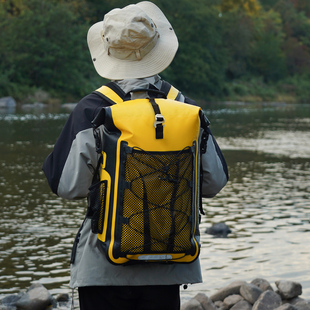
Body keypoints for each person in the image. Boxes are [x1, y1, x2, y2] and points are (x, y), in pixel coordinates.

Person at [42, 2, 229, 309]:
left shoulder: (92, 110)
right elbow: (214, 183)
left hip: (103, 266)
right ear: (158, 49)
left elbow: (68, 187)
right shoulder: (187, 110)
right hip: (169, 264)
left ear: (109, 53)